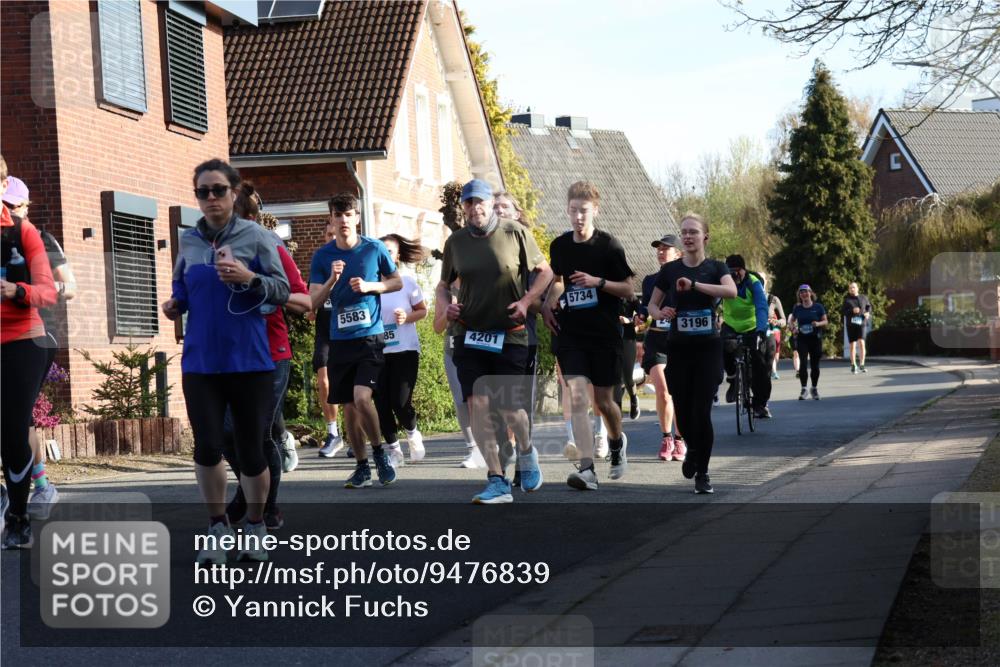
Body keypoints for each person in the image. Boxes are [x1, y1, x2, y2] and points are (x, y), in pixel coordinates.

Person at [162, 159, 290, 563]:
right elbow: (182, 283)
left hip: (249, 361)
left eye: (219, 190)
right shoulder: (189, 241)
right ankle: (217, 526)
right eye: (204, 191)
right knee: (206, 448)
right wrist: (175, 303)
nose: (212, 198)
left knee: (251, 450)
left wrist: (249, 279)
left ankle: (254, 524)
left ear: (234, 193)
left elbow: (284, 289)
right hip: (201, 362)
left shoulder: (257, 236)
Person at [436, 179, 553, 504]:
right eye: (469, 203)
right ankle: (497, 478)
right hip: (469, 334)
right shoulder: (456, 242)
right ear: (464, 207)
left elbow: (545, 272)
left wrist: (528, 301)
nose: (475, 208)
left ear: (490, 204)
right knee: (478, 405)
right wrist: (448, 307)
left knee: (511, 408)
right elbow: (443, 285)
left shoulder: (515, 232)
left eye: (480, 202)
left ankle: (527, 453)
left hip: (509, 334)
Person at [221, 182, 311, 530]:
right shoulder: (209, 247)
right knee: (228, 432)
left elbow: (302, 300)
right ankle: (249, 496)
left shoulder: (269, 244)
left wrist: (257, 282)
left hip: (270, 353)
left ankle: (265, 506)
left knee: (256, 433)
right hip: (228, 356)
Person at [542, 181, 634, 491]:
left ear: (595, 210)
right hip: (573, 334)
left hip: (605, 334)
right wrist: (548, 304)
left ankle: (617, 442)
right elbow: (556, 281)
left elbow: (628, 289)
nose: (577, 217)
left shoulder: (609, 246)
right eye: (572, 211)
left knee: (604, 402)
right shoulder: (560, 246)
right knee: (579, 397)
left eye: (583, 211)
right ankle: (587, 469)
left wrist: (598, 281)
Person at [309, 193, 402, 488]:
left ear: (357, 218)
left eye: (348, 215)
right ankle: (362, 465)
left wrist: (370, 286)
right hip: (340, 340)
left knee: (362, 399)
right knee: (348, 406)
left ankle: (379, 453)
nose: (343, 220)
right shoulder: (323, 257)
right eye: (338, 215)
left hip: (369, 337)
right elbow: (313, 301)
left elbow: (396, 281)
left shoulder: (374, 249)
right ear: (332, 220)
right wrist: (332, 282)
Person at [3, 176, 77, 520]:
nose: (10, 210)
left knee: (19, 421)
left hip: (31, 336)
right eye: (7, 204)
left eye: (15, 205)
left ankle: (41, 487)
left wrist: (25, 289)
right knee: (19, 423)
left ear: (26, 206)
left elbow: (69, 287)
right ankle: (37, 484)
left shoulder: (38, 237)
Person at [647, 213, 736, 495]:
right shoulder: (670, 270)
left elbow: (731, 291)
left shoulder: (715, 267)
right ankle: (692, 450)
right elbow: (651, 306)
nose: (687, 236)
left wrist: (695, 285)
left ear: (704, 237)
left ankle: (703, 472)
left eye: (693, 232)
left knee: (702, 411)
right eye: (684, 232)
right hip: (679, 348)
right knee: (683, 414)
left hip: (708, 348)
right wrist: (660, 312)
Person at [1, 156, 58, 548]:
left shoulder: (23, 232)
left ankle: (19, 519)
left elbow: (48, 292)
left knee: (10, 430)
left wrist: (17, 292)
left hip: (22, 341)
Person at [375, 234, 427, 467]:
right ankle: (394, 451)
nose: (385, 255)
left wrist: (407, 317)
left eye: (390, 251)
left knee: (400, 401)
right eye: (381, 250)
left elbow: (422, 311)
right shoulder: (371, 284)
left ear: (396, 256)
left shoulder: (407, 282)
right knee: (381, 402)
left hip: (405, 349)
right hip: (377, 351)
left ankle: (412, 431)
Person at [639, 234, 685, 462]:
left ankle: (680, 439)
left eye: (666, 249)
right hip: (656, 340)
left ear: (678, 254)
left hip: (679, 341)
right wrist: (638, 316)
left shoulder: (685, 279)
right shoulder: (649, 280)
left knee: (679, 392)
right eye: (658, 248)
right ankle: (667, 437)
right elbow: (645, 306)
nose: (661, 252)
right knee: (663, 392)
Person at [434, 281, 485, 469]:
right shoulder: (444, 289)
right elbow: (437, 327)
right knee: (461, 400)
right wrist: (448, 314)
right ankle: (474, 449)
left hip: (481, 345)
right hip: (453, 349)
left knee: (483, 398)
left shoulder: (483, 277)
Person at [310, 220, 346, 458]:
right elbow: (311, 311)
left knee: (353, 385)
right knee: (324, 382)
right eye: (328, 234)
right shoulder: (320, 263)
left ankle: (356, 433)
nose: (332, 238)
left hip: (349, 332)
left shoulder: (353, 259)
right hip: (325, 332)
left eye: (336, 234)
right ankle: (333, 433)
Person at [721, 255, 770, 418]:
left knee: (760, 366)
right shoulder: (723, 282)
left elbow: (762, 307)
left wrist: (761, 331)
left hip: (752, 326)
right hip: (730, 325)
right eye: (731, 273)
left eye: (737, 272)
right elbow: (712, 300)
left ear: (744, 270)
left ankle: (759, 404)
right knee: (722, 348)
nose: (735, 276)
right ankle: (733, 379)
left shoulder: (753, 282)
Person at [789, 284, 828, 400]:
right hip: (802, 339)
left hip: (815, 339)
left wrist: (818, 323)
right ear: (799, 295)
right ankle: (804, 389)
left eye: (806, 292)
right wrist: (793, 328)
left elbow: (825, 321)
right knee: (803, 364)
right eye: (801, 292)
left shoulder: (818, 307)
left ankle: (814, 388)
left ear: (810, 293)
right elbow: (791, 321)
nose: (804, 294)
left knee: (815, 366)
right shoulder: (797, 308)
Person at [842, 282, 872, 374]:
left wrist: (867, 313)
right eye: (850, 288)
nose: (852, 289)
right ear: (849, 290)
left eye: (853, 287)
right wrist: (852, 310)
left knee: (862, 343)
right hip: (851, 324)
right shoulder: (847, 300)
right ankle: (853, 365)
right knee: (853, 345)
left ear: (857, 288)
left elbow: (869, 306)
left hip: (862, 323)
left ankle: (862, 364)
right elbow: (843, 312)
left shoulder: (864, 297)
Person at [767, 291, 786, 379]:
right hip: (757, 334)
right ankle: (773, 372)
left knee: (776, 356)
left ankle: (773, 370)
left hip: (774, 333)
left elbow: (783, 321)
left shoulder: (773, 299)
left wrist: (776, 322)